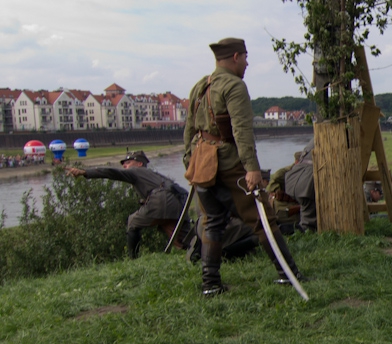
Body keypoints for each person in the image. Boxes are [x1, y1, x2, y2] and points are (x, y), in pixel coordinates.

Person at [183, 37, 304, 297]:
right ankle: (288, 273)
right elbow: (241, 131)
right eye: (246, 57)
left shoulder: (199, 87)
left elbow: (189, 130)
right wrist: (252, 169)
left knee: (212, 221)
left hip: (201, 162)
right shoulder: (234, 86)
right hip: (229, 164)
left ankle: (210, 283)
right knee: (263, 219)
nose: (248, 63)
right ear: (235, 57)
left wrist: (188, 161)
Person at [66, 151, 191, 258]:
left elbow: (112, 172)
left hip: (160, 200)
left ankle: (133, 259)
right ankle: (200, 254)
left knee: (132, 221)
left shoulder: (136, 171)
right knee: (183, 239)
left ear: (139, 164)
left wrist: (85, 172)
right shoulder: (155, 175)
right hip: (178, 202)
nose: (125, 165)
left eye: (128, 162)